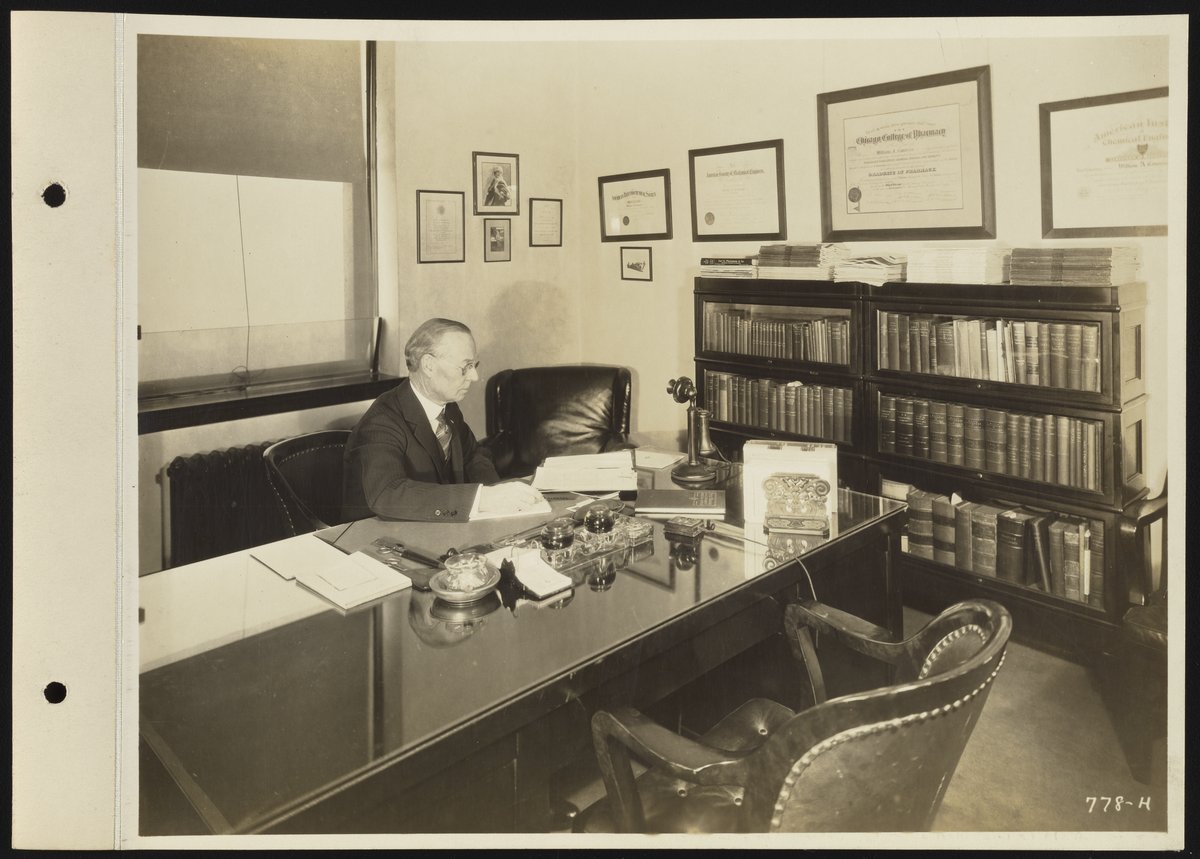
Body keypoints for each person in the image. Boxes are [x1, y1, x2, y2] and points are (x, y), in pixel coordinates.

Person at [342, 318, 545, 522]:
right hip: (376, 534)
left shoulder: (448, 408)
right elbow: (388, 494)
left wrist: (498, 493)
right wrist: (481, 499)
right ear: (429, 365)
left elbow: (473, 457)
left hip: (433, 527)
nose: (474, 376)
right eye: (466, 366)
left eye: (474, 365)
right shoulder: (381, 421)